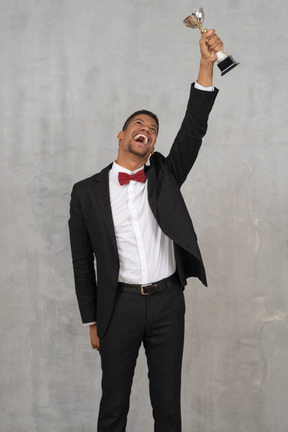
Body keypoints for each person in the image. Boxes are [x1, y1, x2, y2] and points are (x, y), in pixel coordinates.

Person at [69, 29, 223, 432]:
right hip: (117, 309)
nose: (147, 130)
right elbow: (82, 262)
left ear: (153, 145)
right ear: (121, 135)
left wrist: (206, 66)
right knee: (114, 406)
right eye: (139, 124)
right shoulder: (85, 193)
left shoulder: (165, 176)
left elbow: (193, 129)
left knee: (167, 409)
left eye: (153, 129)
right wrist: (92, 320)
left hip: (168, 303)